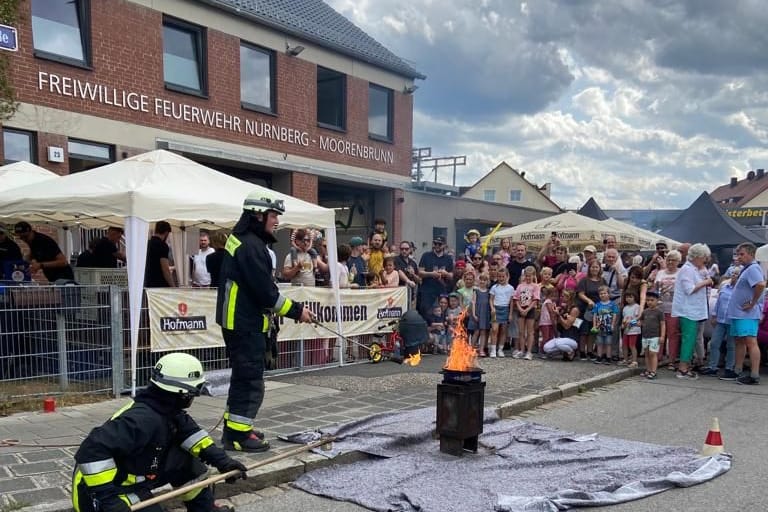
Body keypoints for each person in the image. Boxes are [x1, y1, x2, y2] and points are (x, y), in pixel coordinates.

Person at [72, 353, 246, 512]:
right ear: (183, 394)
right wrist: (109, 500)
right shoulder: (142, 420)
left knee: (187, 464)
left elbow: (194, 437)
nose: (194, 397)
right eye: (194, 393)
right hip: (102, 492)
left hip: (136, 477)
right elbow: (91, 450)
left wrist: (224, 463)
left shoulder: (167, 409)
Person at [216, 192, 313, 452]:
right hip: (244, 323)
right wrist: (298, 311)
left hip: (240, 321)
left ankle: (236, 427)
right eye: (273, 215)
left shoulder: (245, 241)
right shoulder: (251, 246)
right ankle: (238, 437)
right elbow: (266, 294)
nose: (277, 221)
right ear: (258, 216)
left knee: (242, 378)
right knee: (250, 381)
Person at [671, 243, 713, 380]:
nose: (705, 260)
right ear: (698, 256)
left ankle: (685, 366)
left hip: (693, 310)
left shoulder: (694, 269)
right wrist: (706, 282)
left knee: (690, 339)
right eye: (704, 257)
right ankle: (683, 368)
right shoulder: (687, 270)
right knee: (688, 339)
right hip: (688, 310)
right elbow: (690, 289)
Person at [728, 243, 766, 385]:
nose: (739, 257)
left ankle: (754, 374)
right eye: (738, 254)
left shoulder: (754, 268)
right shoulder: (746, 269)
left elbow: (761, 284)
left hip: (747, 314)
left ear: (751, 254)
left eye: (742, 254)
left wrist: (753, 302)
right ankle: (737, 369)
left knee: (751, 341)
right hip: (739, 313)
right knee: (740, 341)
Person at [700, 267, 740, 379]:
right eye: (733, 274)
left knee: (731, 345)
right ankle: (713, 367)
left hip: (733, 320)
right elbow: (718, 302)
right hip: (721, 320)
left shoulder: (741, 290)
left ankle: (729, 368)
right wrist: (714, 315)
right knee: (714, 343)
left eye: (737, 274)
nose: (734, 276)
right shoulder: (724, 287)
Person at [417, 236, 453, 321]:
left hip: (441, 289)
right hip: (427, 289)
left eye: (439, 244)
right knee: (425, 311)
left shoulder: (448, 258)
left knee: (442, 312)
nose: (437, 245)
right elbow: (420, 272)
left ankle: (441, 331)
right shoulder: (426, 255)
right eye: (435, 243)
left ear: (444, 245)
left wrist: (446, 273)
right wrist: (431, 274)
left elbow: (451, 276)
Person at [513, 266, 540, 360]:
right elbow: (516, 298)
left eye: (530, 276)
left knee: (530, 332)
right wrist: (520, 309)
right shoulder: (520, 286)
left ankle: (529, 351)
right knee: (521, 331)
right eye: (526, 276)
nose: (528, 278)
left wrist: (527, 309)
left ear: (533, 276)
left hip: (530, 309)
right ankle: (522, 350)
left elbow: (535, 300)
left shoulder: (536, 286)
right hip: (521, 308)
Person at [639, 291, 665, 380]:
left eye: (652, 300)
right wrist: (635, 323)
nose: (649, 302)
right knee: (646, 353)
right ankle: (648, 370)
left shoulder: (659, 312)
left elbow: (662, 324)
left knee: (652, 353)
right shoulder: (645, 312)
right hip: (645, 335)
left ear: (657, 300)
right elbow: (641, 322)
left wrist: (662, 336)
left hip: (655, 336)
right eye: (648, 300)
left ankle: (654, 371)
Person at [489, 267, 513, 358]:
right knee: (495, 330)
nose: (501, 278)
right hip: (496, 309)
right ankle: (493, 349)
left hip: (505, 309)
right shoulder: (494, 287)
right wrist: (492, 308)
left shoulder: (510, 288)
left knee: (503, 331)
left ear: (507, 276)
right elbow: (491, 299)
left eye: (503, 276)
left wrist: (510, 314)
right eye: (499, 276)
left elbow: (511, 302)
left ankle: (500, 349)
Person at [591, 285, 619, 364]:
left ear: (608, 294)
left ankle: (608, 357)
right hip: (599, 326)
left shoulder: (613, 304)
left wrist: (613, 325)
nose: (602, 295)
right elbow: (595, 315)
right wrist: (594, 325)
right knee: (599, 342)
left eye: (604, 293)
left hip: (608, 326)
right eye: (601, 294)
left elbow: (614, 315)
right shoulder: (597, 305)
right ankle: (599, 357)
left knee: (608, 342)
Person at [145, 221, 174, 287]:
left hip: (148, 283)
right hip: (160, 285)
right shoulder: (163, 246)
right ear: (166, 232)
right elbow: (165, 269)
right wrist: (173, 286)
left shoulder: (147, 244)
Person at [471, 273, 491, 357]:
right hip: (478, 313)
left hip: (485, 313)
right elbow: (473, 302)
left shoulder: (489, 292)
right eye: (481, 280)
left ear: (487, 282)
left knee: (483, 332)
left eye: (484, 280)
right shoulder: (476, 291)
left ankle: (481, 349)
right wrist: (474, 314)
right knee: (476, 332)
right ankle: (471, 348)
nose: (482, 281)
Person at [620, 292, 641, 368]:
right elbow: (624, 318)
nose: (628, 299)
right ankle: (625, 359)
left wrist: (630, 322)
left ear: (634, 297)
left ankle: (634, 361)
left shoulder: (637, 307)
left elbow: (637, 318)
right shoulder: (625, 308)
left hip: (634, 329)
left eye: (630, 297)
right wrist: (623, 324)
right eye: (627, 297)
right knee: (624, 345)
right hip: (626, 329)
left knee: (632, 345)